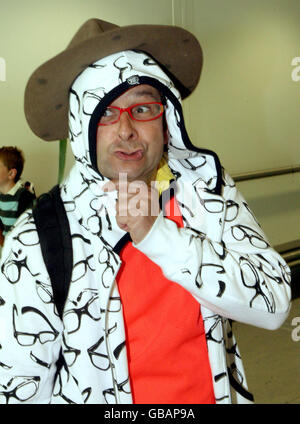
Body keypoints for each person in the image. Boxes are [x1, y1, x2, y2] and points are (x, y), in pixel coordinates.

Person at [0, 18, 291, 404]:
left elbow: (274, 303)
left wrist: (159, 236)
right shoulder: (36, 240)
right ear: (80, 125)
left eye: (143, 108)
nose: (124, 129)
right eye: (104, 112)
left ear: (167, 118)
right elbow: (19, 390)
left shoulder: (205, 193)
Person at [0, 146, 36, 236]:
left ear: (11, 173)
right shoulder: (1, 196)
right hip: (8, 245)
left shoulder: (24, 196)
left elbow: (31, 229)